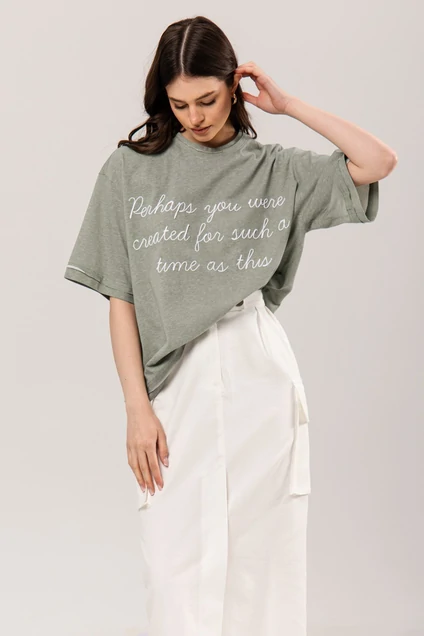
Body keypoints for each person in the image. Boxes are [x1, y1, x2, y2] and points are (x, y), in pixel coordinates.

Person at [63, 15, 397, 636]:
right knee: (175, 577)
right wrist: (136, 409)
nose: (195, 116)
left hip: (257, 370)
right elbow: (120, 296)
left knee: (263, 572)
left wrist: (288, 106)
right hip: (175, 382)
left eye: (208, 99)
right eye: (179, 103)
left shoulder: (274, 170)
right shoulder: (129, 173)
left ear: (234, 86)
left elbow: (377, 161)